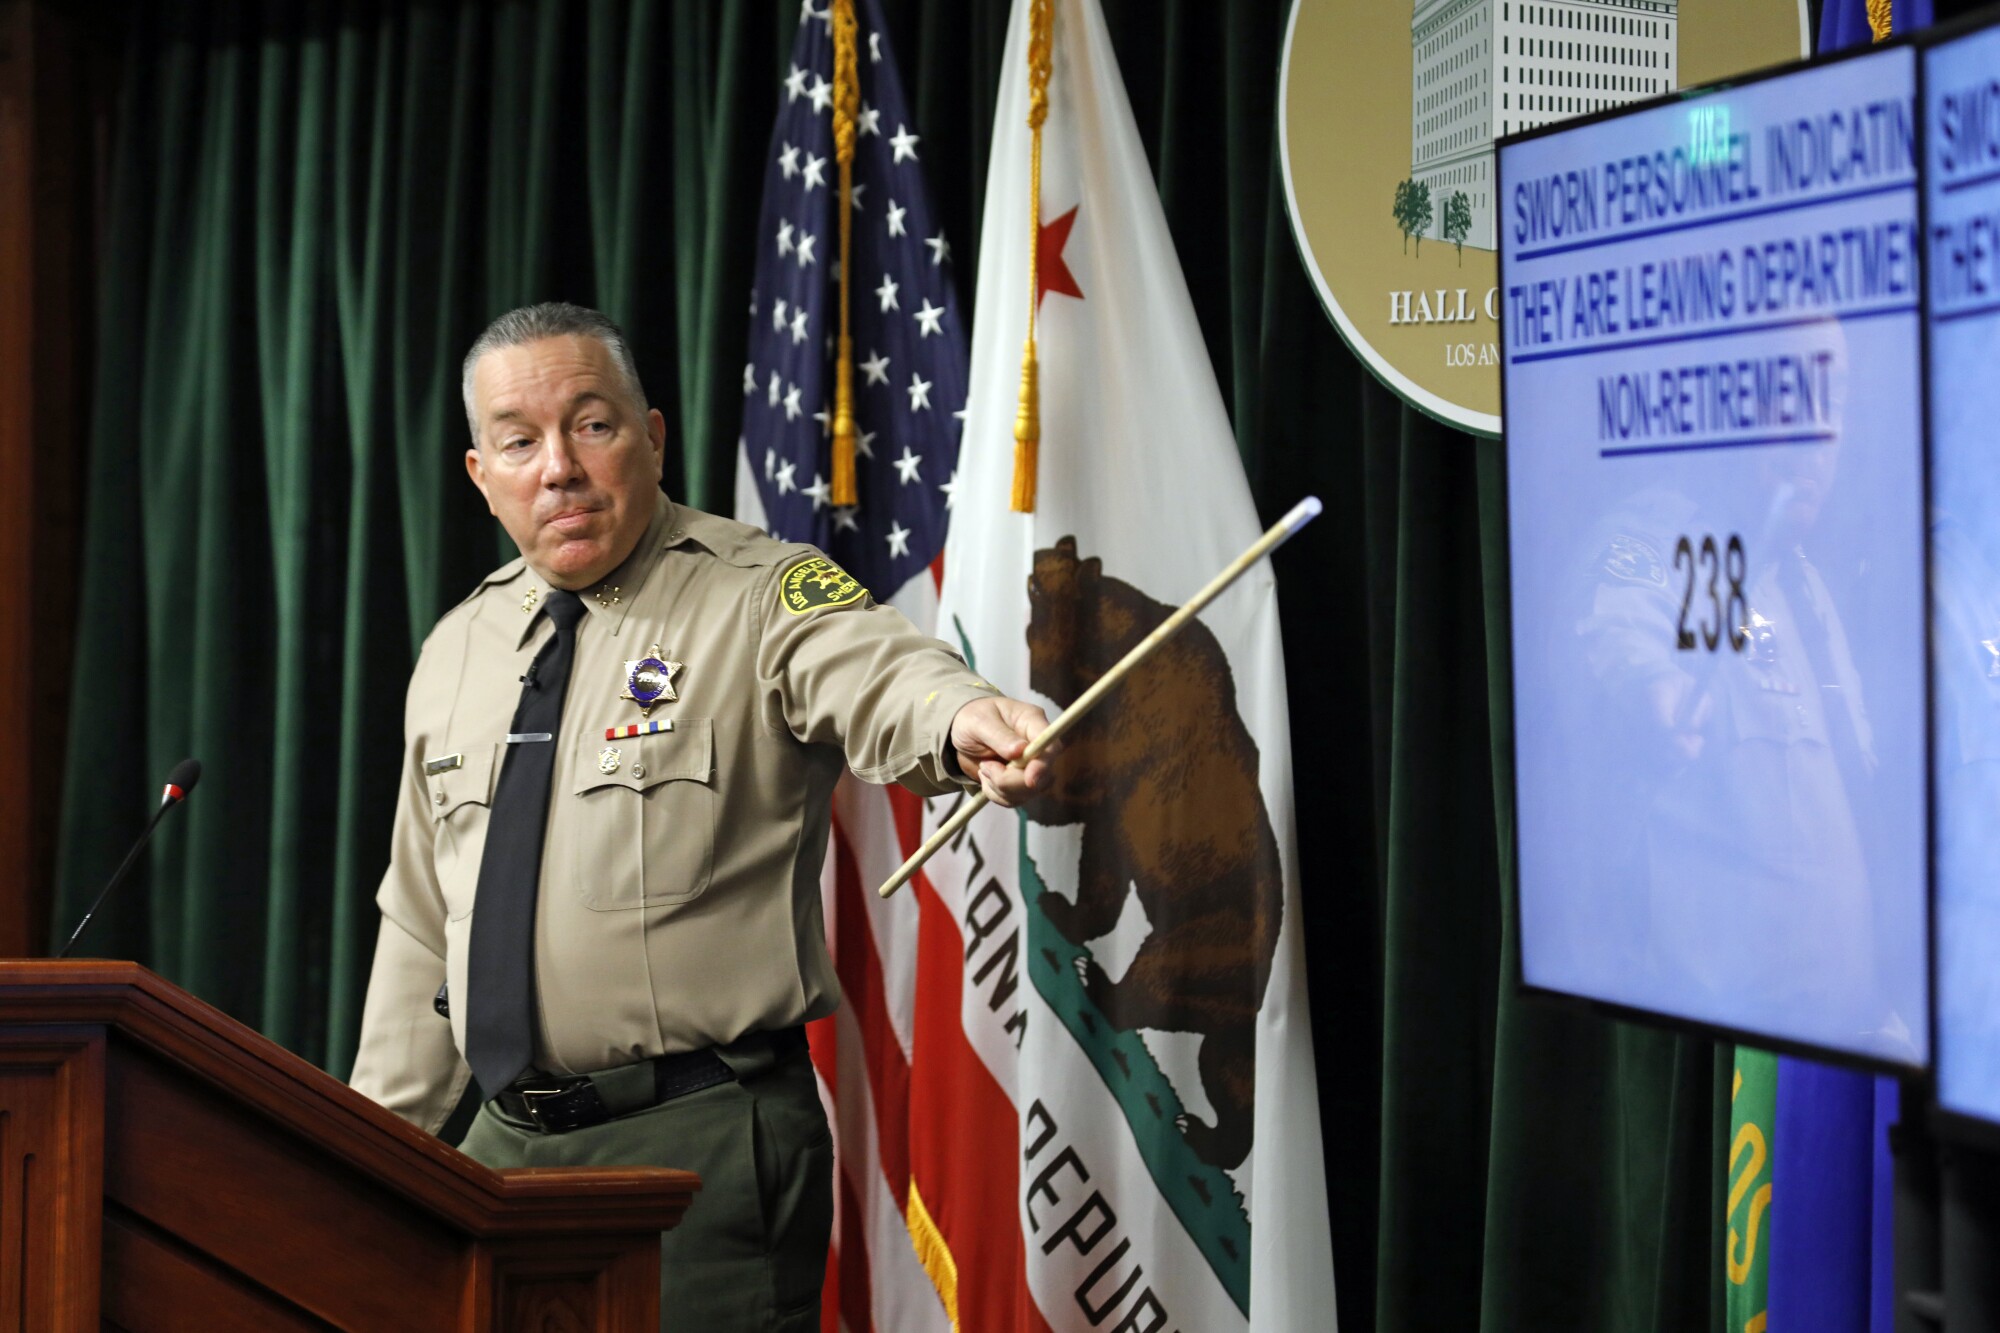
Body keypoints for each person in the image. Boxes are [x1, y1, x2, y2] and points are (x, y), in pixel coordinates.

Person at [349, 302, 1049, 1330]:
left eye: (591, 424)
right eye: (519, 441)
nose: (559, 468)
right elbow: (422, 927)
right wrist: (366, 1157)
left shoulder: (758, 595)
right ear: (480, 474)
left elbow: (880, 671)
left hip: (701, 1145)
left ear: (652, 436)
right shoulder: (457, 649)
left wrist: (959, 719)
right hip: (500, 1155)